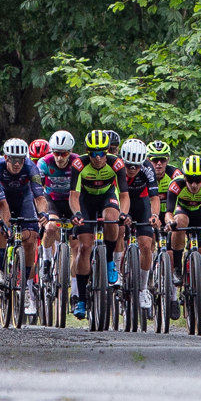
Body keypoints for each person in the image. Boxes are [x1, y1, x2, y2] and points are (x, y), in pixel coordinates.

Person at [0, 137, 48, 316]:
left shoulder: (31, 167)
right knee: (1, 229)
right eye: (14, 159)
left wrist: (43, 213)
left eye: (21, 159)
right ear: (6, 157)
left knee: (31, 237)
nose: (18, 163)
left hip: (24, 199)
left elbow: (39, 197)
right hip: (2, 200)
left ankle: (26, 288)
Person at [72, 129, 128, 317]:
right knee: (84, 247)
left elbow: (124, 195)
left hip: (106, 197)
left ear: (108, 152)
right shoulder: (79, 164)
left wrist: (124, 213)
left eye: (102, 153)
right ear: (88, 153)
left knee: (112, 218)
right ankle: (80, 299)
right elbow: (74, 196)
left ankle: (110, 260)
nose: (98, 158)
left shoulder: (116, 164)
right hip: (85, 201)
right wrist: (77, 212)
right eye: (93, 154)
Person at [165, 152, 201, 319]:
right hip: (183, 212)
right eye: (190, 180)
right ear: (184, 177)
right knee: (179, 222)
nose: (194, 185)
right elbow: (168, 213)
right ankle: (178, 269)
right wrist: (170, 222)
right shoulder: (176, 184)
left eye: (198, 180)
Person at [38, 130, 86, 314]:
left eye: (64, 153)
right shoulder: (43, 163)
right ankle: (47, 261)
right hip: (52, 201)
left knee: (76, 246)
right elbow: (37, 188)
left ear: (70, 151)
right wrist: (41, 211)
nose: (59, 157)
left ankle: (74, 294)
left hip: (72, 201)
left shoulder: (77, 162)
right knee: (50, 226)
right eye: (56, 152)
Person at [119, 137, 157, 315]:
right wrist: (122, 215)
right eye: (129, 166)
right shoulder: (116, 167)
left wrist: (155, 216)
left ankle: (142, 289)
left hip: (141, 204)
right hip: (121, 202)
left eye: (137, 166)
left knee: (146, 244)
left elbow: (154, 197)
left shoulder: (148, 169)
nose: (133, 169)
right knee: (117, 232)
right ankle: (118, 275)